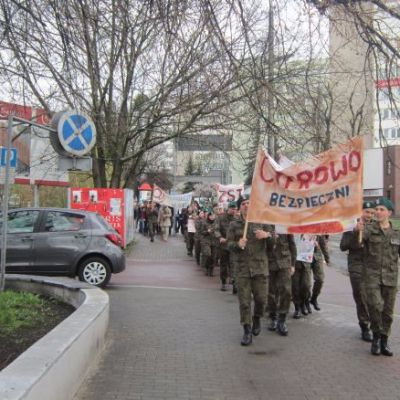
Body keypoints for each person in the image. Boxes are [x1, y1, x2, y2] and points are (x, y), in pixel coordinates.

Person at [356, 197, 400, 356]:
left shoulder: (396, 233)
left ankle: (384, 341)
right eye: (377, 209)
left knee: (388, 312)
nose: (378, 212)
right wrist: (357, 230)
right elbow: (358, 244)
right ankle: (375, 337)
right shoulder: (368, 229)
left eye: (382, 209)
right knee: (375, 307)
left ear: (389, 212)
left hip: (390, 277)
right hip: (372, 276)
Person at [227, 195, 272, 346]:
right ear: (240, 208)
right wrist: (237, 244)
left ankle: (257, 318)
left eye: (249, 203)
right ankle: (246, 330)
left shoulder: (262, 221)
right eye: (244, 204)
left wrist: (267, 235)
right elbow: (228, 244)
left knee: (261, 300)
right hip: (242, 269)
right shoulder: (234, 225)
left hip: (260, 268)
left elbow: (275, 243)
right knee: (244, 302)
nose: (247, 205)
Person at [340, 201, 375, 342]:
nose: (370, 215)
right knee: (361, 297)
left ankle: (375, 325)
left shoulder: (376, 227)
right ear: (361, 212)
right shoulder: (350, 226)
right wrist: (355, 232)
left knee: (374, 299)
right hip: (357, 266)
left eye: (372, 213)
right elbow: (343, 246)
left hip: (372, 267)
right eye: (367, 212)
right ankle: (365, 326)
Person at [266, 231, 296, 336]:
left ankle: (282, 320)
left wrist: (293, 264)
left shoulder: (285, 224)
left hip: (284, 262)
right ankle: (273, 317)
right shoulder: (266, 224)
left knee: (286, 291)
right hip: (270, 262)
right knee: (271, 292)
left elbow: (292, 245)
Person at [214, 201, 238, 291]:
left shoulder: (237, 218)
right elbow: (216, 229)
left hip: (233, 245)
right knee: (224, 265)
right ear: (228, 208)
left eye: (235, 209)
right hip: (223, 245)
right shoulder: (220, 218)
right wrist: (220, 237)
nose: (234, 210)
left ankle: (234, 283)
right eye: (232, 209)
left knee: (233, 264)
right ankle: (223, 282)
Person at [309, 235, 330, 311]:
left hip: (317, 256)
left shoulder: (318, 228)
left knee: (320, 279)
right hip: (304, 255)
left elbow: (323, 244)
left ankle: (314, 298)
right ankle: (304, 302)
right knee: (305, 283)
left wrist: (327, 259)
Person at [199, 212, 219, 276]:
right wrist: (207, 232)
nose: (212, 217)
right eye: (211, 216)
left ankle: (211, 270)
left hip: (215, 241)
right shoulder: (204, 223)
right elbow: (201, 232)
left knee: (213, 256)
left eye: (213, 215)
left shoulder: (217, 223)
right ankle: (206, 268)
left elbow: (219, 231)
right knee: (208, 254)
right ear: (208, 216)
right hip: (206, 241)